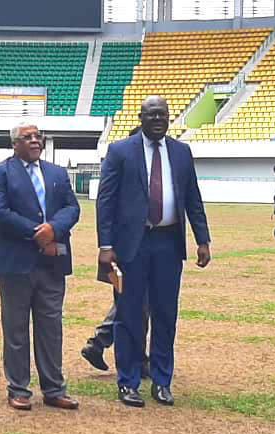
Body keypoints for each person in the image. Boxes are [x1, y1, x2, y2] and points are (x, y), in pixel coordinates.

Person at [96, 96, 211, 407]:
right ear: (141, 117)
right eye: (152, 114)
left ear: (169, 118)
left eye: (163, 114)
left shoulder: (181, 152)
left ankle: (162, 381)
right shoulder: (120, 151)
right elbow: (105, 201)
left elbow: (192, 198)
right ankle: (128, 382)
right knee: (129, 315)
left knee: (165, 315)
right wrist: (105, 246)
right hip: (130, 247)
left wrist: (203, 239)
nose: (158, 119)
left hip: (168, 245)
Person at [0, 122, 81, 411]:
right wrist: (38, 234)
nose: (35, 141)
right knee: (16, 329)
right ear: (14, 144)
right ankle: (19, 389)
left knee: (51, 327)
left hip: (53, 262)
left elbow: (72, 208)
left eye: (38, 136)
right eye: (28, 138)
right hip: (14, 264)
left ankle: (54, 388)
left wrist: (54, 228)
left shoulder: (57, 173)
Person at [81, 125, 151, 378]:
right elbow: (107, 206)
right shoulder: (123, 168)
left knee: (135, 301)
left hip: (141, 248)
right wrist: (107, 247)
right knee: (136, 303)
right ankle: (134, 358)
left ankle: (100, 343)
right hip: (126, 250)